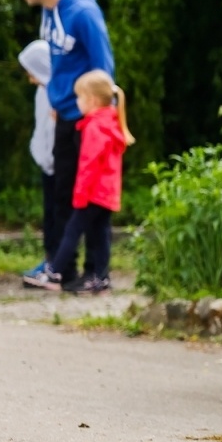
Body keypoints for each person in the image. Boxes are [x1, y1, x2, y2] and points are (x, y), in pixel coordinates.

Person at [16, 0, 115, 289]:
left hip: (86, 118)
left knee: (91, 196)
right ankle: (62, 268)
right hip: (64, 112)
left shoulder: (83, 12)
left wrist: (101, 113)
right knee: (63, 193)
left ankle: (96, 271)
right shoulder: (48, 11)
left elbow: (103, 63)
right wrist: (57, 96)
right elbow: (60, 59)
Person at [41, 69, 132, 294]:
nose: (77, 103)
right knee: (100, 235)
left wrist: (80, 194)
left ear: (91, 100)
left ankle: (55, 270)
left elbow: (88, 165)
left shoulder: (93, 127)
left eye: (79, 97)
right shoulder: (111, 124)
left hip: (91, 193)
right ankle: (99, 277)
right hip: (107, 194)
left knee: (73, 230)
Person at [18, 40, 58, 267]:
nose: (30, 79)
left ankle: (58, 261)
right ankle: (50, 257)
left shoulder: (57, 94)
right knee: (49, 213)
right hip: (47, 164)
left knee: (59, 214)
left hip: (59, 163)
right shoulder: (42, 93)